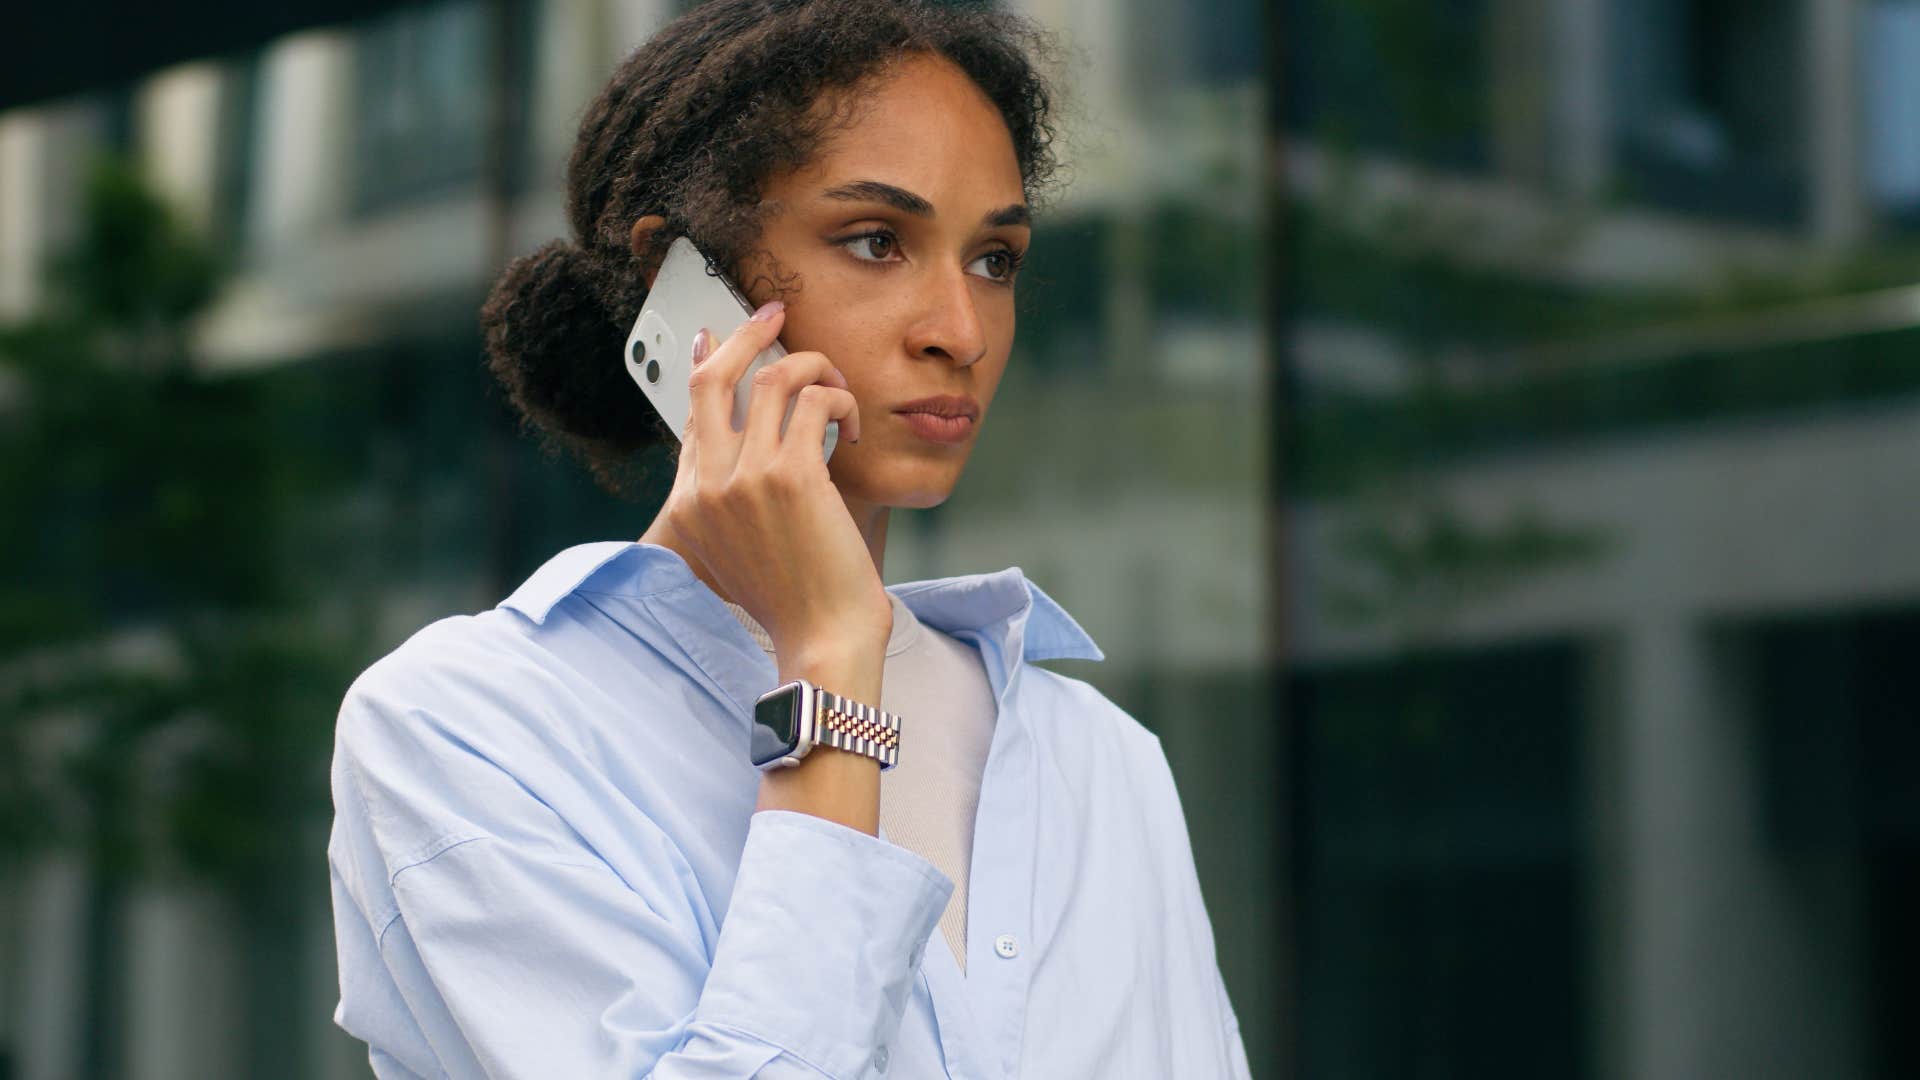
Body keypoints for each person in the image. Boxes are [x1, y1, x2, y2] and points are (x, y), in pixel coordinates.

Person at [327, 0, 1252, 1076]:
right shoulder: (469, 727)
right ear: (684, 286)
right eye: (876, 242)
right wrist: (826, 660)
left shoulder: (1098, 758)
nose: (958, 329)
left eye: (995, 259)